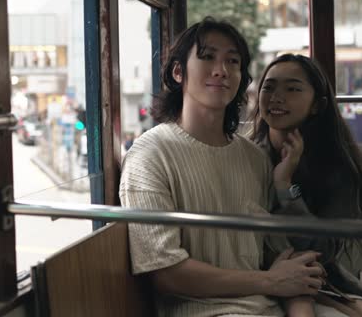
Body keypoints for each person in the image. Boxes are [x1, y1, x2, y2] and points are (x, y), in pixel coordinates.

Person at [119, 17, 325, 316]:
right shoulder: (150, 155)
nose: (222, 70)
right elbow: (166, 273)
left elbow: (283, 259)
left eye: (233, 61)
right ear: (178, 72)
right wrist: (269, 281)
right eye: (207, 57)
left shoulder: (254, 158)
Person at [251, 54, 362, 317]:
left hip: (315, 272)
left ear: (316, 105)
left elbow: (323, 248)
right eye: (269, 86)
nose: (277, 96)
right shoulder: (244, 154)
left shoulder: (336, 166)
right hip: (257, 272)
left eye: (293, 89)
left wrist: (285, 186)